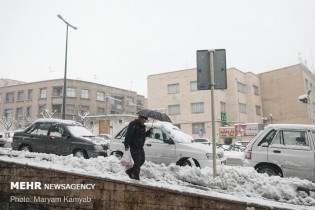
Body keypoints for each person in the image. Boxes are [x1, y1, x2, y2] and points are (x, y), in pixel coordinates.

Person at [124, 115, 152, 180]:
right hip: (134, 146)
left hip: (140, 146)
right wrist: (126, 145)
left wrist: (149, 132)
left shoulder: (142, 126)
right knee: (137, 162)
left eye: (145, 120)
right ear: (140, 118)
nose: (144, 121)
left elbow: (143, 135)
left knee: (142, 160)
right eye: (144, 119)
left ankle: (130, 171)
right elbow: (128, 134)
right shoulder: (133, 124)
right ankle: (136, 177)